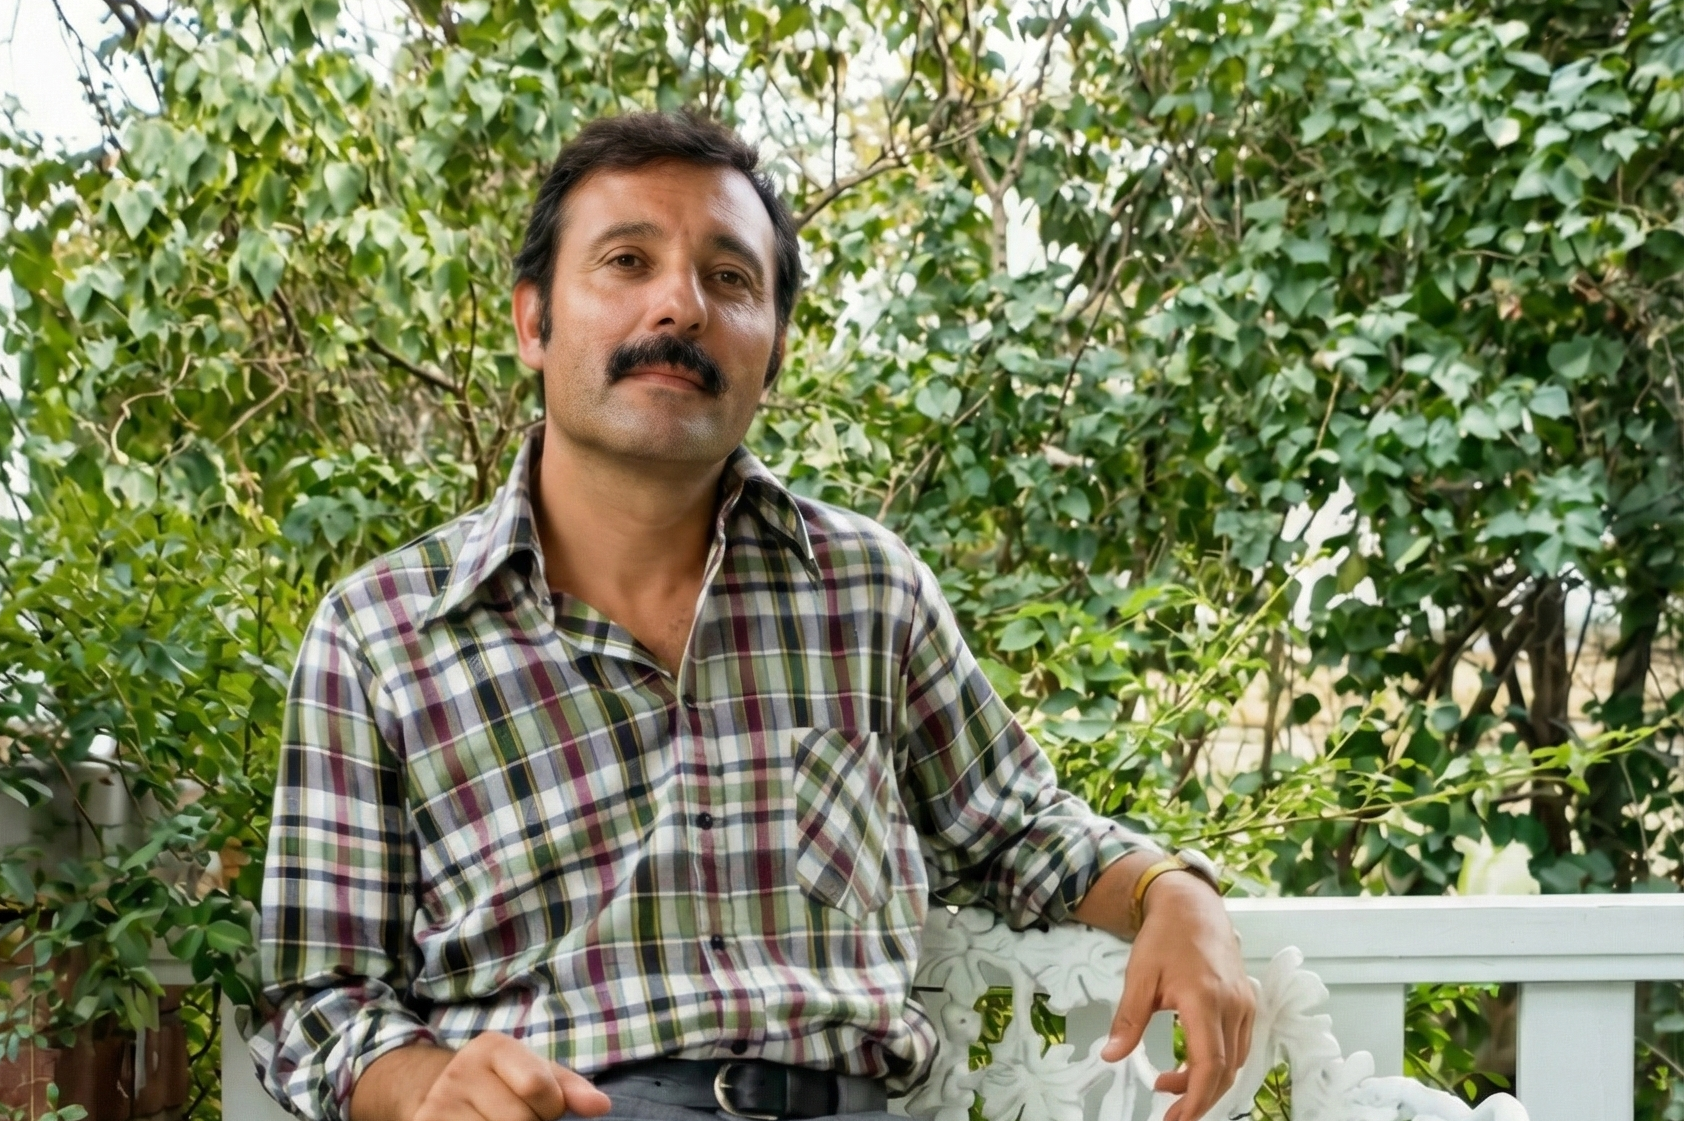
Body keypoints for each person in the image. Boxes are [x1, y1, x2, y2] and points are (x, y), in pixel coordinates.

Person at [252, 110, 1253, 1121]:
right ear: (532, 321)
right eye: (627, 260)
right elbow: (317, 998)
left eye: (729, 279)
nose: (679, 306)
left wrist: (1174, 893)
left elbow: (1016, 830)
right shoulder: (379, 635)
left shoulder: (866, 589)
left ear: (771, 351)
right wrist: (430, 1084)